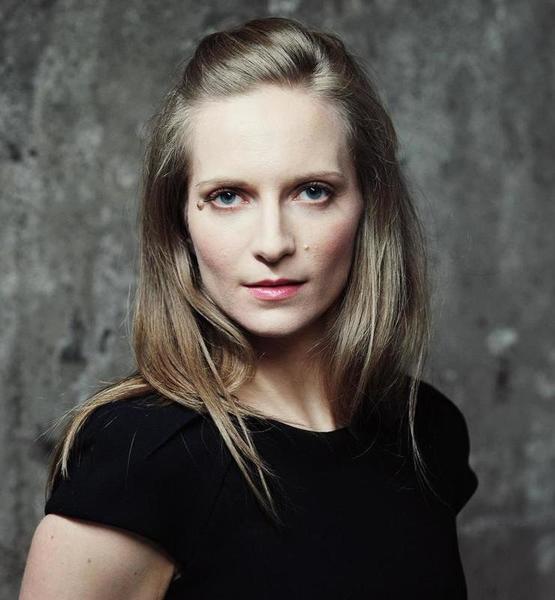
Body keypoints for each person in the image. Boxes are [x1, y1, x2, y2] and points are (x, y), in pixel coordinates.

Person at [19, 16, 479, 600]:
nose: (272, 242)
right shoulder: (140, 458)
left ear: (368, 206)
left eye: (313, 191)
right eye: (228, 196)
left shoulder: (425, 430)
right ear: (181, 223)